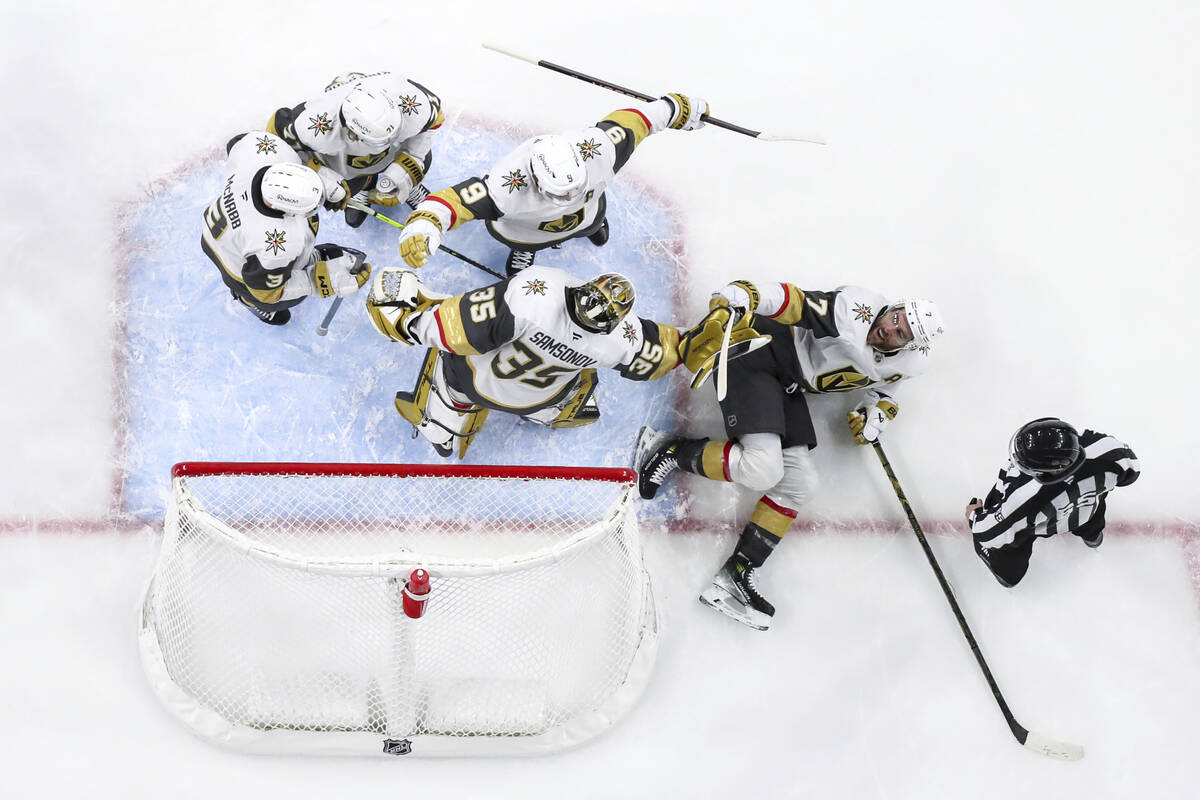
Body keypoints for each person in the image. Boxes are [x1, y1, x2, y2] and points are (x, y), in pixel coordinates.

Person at [637, 280, 945, 630]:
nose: (889, 327)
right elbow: (796, 302)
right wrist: (752, 295)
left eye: (900, 332)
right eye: (895, 317)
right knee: (760, 468)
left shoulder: (910, 363)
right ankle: (669, 451)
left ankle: (735, 575)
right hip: (760, 350)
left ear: (909, 345)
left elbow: (884, 389)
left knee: (800, 484)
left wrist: (878, 413)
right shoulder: (855, 309)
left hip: (788, 382)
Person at [363, 264, 754, 458]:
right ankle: (547, 415)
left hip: (473, 382)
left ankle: (444, 427)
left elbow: (450, 330)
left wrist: (404, 319)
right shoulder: (621, 340)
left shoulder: (534, 295)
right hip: (535, 397)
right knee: (583, 380)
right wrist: (688, 347)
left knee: (453, 357)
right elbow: (657, 359)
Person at [394, 93, 709, 277]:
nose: (568, 196)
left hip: (587, 210)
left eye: (572, 188)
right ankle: (523, 253)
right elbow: (455, 201)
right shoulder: (506, 188)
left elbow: (635, 119)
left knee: (591, 221)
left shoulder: (596, 148)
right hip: (526, 227)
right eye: (561, 193)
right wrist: (426, 223)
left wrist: (675, 107)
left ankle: (591, 227)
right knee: (523, 242)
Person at [200, 130, 371, 325]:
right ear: (283, 207)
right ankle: (247, 300)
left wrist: (323, 180)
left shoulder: (259, 149)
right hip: (237, 264)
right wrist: (320, 280)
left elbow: (237, 142)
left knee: (297, 244)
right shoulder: (277, 245)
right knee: (278, 298)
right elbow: (267, 292)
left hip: (221, 229)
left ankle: (302, 262)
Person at [965, 418, 1140, 587]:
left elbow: (986, 533)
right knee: (1091, 520)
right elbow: (1132, 469)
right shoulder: (1107, 450)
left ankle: (1003, 571)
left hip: (1045, 522)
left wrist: (974, 515)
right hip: (1087, 511)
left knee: (1008, 571)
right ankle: (1093, 536)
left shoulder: (1022, 498)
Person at [267, 71, 444, 228]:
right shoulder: (313, 127)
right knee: (344, 188)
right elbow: (276, 143)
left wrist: (409, 163)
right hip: (344, 166)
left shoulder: (411, 102)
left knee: (419, 162)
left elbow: (435, 119)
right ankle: (364, 185)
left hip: (364, 156)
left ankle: (409, 187)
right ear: (351, 131)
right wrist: (322, 175)